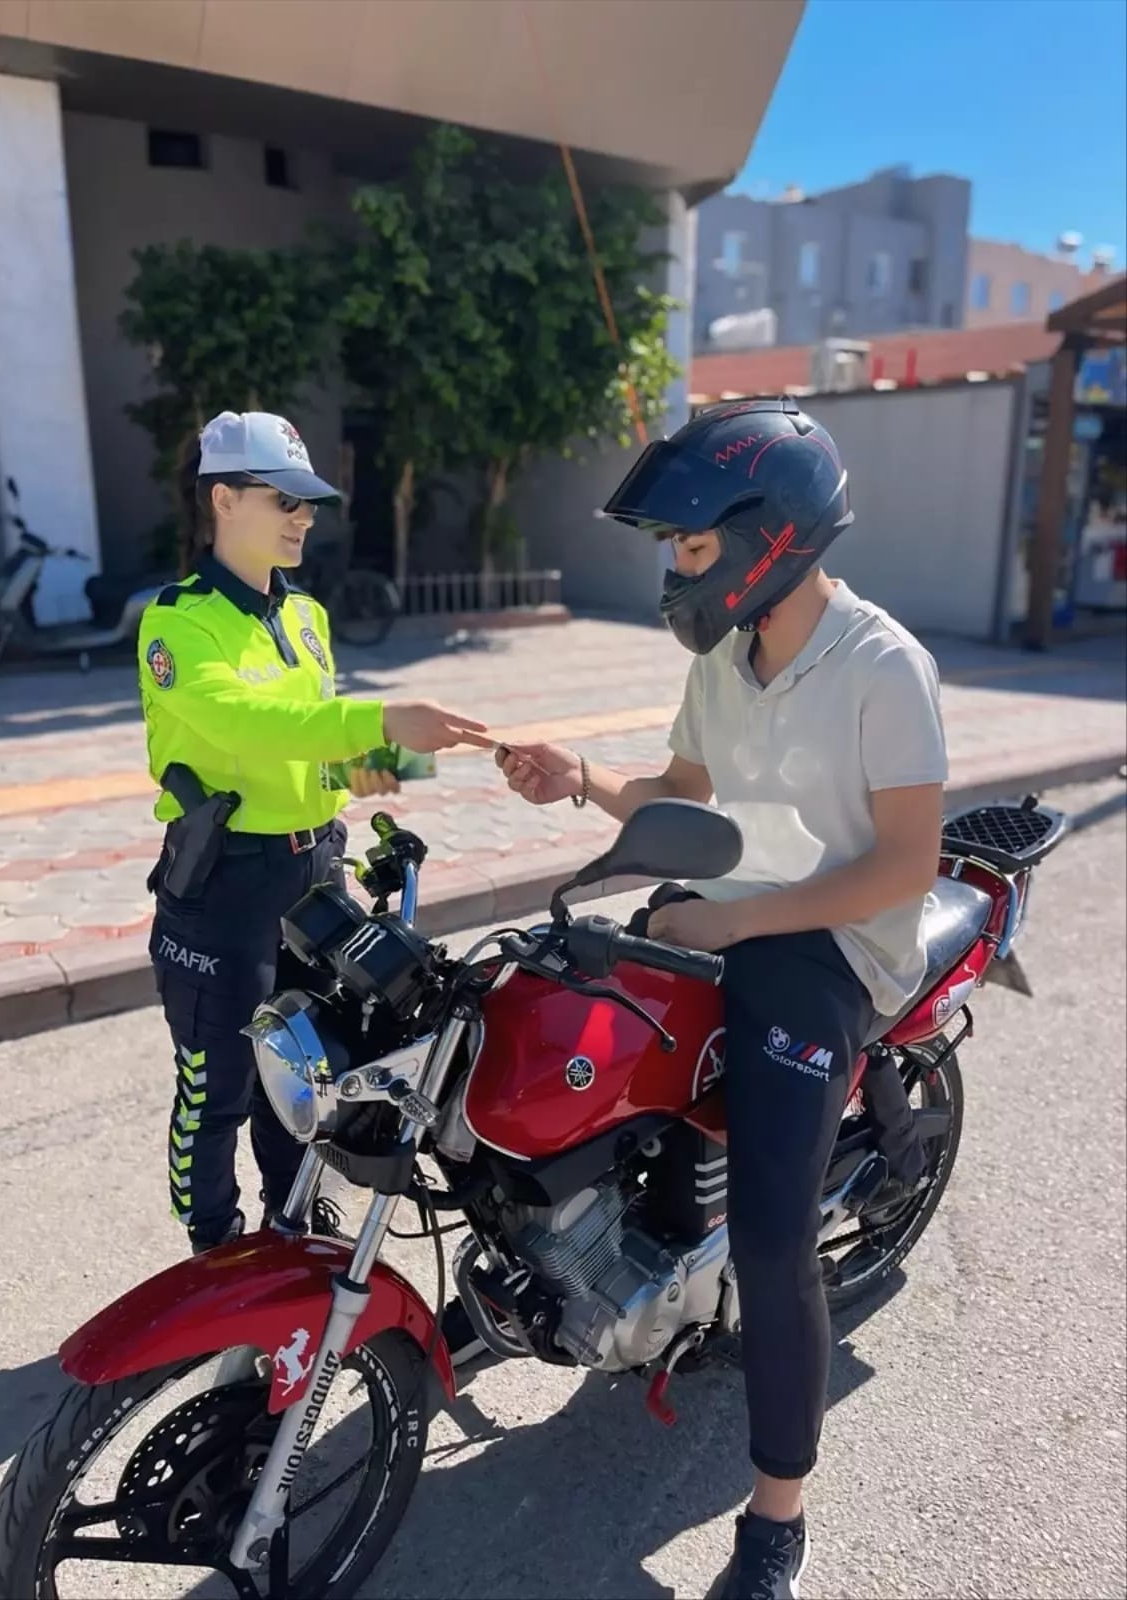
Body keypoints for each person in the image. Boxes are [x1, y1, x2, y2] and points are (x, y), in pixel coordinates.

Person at [491, 398, 948, 1600]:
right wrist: (577, 778)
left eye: (691, 544)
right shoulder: (725, 659)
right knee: (565, 1034)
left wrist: (741, 920)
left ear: (771, 540)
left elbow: (905, 863)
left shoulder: (883, 665)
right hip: (722, 912)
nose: (674, 567)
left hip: (829, 949)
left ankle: (777, 1519)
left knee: (773, 1229)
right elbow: (682, 792)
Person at [139, 409, 488, 1254]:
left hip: (313, 878)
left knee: (303, 1070)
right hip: (225, 887)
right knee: (216, 1085)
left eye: (309, 502)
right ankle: (214, 1246)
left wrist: (408, 766)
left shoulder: (306, 618)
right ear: (224, 499)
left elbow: (323, 753)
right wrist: (385, 713)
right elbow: (250, 727)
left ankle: (289, 1220)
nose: (305, 517)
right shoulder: (177, 624)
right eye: (284, 499)